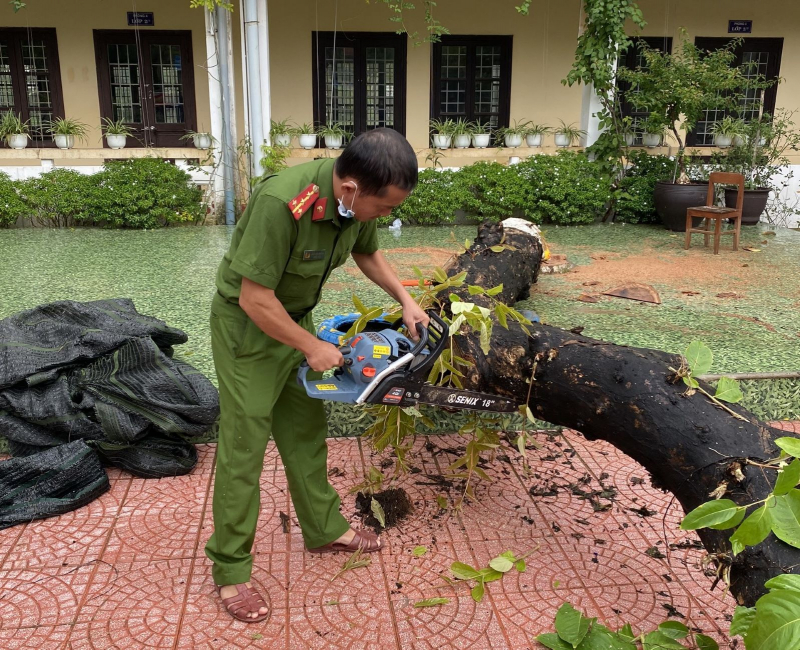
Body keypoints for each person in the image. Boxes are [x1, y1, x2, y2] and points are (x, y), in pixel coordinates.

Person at [206, 128, 428, 622]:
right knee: (245, 446)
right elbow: (254, 298)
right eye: (384, 207)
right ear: (350, 189)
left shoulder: (354, 202)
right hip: (248, 329)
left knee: (305, 431)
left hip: (296, 322)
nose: (385, 216)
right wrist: (312, 347)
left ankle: (325, 528)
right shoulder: (283, 203)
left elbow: (366, 251)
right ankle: (230, 570)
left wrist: (406, 300)